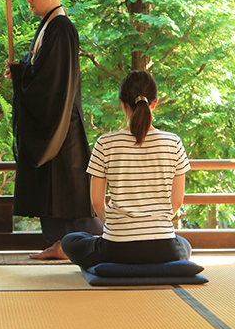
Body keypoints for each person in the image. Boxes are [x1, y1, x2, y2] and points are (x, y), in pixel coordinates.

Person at [6, 0, 102, 260]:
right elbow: (38, 68)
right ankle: (60, 242)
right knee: (53, 184)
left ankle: (91, 240)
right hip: (52, 120)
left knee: (67, 186)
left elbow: (50, 79)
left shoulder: (61, 28)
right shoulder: (49, 26)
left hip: (61, 123)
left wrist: (23, 74)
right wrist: (20, 69)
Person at [61, 70, 192, 269]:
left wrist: (115, 226)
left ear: (122, 104)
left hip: (117, 248)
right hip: (163, 249)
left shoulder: (105, 143)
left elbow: (97, 202)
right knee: (184, 245)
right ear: (154, 104)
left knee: (70, 241)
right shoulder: (173, 142)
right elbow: (177, 201)